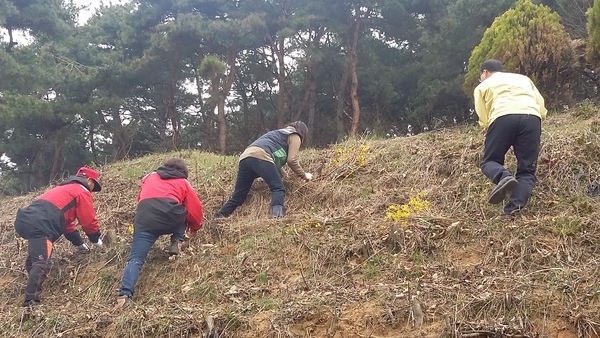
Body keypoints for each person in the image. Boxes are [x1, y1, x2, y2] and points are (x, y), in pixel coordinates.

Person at [114, 158, 204, 309]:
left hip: (144, 220)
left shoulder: (149, 177)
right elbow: (194, 209)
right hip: (170, 217)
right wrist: (194, 227)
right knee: (182, 211)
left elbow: (140, 199)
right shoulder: (183, 182)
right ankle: (177, 240)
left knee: (135, 259)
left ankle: (123, 297)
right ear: (183, 172)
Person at [14, 167, 103, 307]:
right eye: (94, 186)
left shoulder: (64, 189)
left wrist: (79, 243)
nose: (92, 190)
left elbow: (65, 223)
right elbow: (88, 219)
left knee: (36, 258)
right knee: (42, 263)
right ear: (89, 180)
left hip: (25, 221)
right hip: (40, 225)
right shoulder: (82, 191)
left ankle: (31, 283)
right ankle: (30, 302)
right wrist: (96, 239)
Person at [474, 59, 547, 216]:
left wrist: (488, 126)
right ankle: (513, 211)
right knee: (527, 171)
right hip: (532, 118)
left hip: (502, 117)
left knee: (489, 162)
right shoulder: (523, 79)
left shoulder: (483, 85)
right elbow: (541, 106)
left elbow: (483, 117)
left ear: (485, 72)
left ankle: (503, 176)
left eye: (481, 75)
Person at [214, 121, 312, 219]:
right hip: (261, 156)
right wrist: (304, 175)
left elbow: (273, 163)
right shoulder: (295, 135)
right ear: (303, 132)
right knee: (278, 188)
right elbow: (292, 160)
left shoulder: (277, 133)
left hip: (245, 157)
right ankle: (277, 217)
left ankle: (218, 216)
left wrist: (285, 177)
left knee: (238, 196)